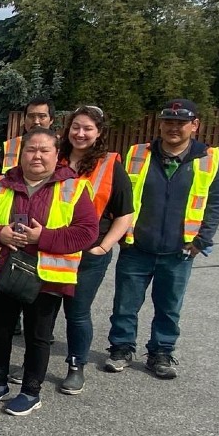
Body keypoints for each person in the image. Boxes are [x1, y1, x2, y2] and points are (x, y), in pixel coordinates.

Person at [0, 127, 98, 416]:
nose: (36, 156)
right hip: (4, 271)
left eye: (44, 150)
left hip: (46, 277)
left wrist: (44, 238)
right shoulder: (2, 182)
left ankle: (30, 391)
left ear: (57, 155)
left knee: (38, 337)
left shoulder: (73, 187)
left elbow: (87, 233)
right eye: (30, 149)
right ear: (21, 153)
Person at [105, 99, 219, 380]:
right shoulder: (138, 154)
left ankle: (161, 352)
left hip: (179, 250)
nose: (174, 128)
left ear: (194, 125)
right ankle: (121, 348)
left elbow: (215, 203)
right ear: (160, 124)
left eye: (181, 123)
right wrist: (120, 233)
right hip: (137, 246)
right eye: (168, 121)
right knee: (125, 303)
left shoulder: (207, 158)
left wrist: (201, 241)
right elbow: (119, 196)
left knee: (169, 307)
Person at [54, 106, 133, 394]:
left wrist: (105, 246)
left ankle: (76, 366)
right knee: (44, 310)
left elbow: (125, 213)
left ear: (99, 133)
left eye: (87, 128)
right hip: (54, 248)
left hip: (89, 253)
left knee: (77, 313)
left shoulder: (111, 165)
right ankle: (32, 366)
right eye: (76, 126)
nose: (80, 133)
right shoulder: (55, 158)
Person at [0, 97, 55, 343]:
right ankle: (12, 323)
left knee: (39, 310)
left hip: (45, 229)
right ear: (24, 119)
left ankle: (37, 331)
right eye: (31, 116)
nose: (36, 120)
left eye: (42, 116)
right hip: (12, 221)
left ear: (51, 120)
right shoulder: (9, 147)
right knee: (8, 282)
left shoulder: (57, 147)